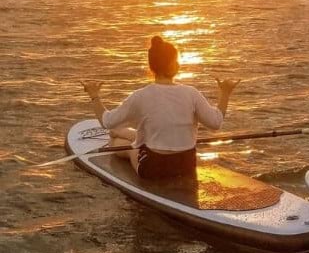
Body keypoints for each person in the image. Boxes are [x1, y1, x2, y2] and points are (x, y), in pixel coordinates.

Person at [81, 35, 239, 180]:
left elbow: (107, 121)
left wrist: (94, 96)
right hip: (186, 167)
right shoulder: (192, 93)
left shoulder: (141, 95)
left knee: (123, 146)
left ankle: (114, 136)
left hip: (154, 168)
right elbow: (216, 123)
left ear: (151, 68)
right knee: (140, 138)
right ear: (175, 66)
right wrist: (225, 93)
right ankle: (118, 133)